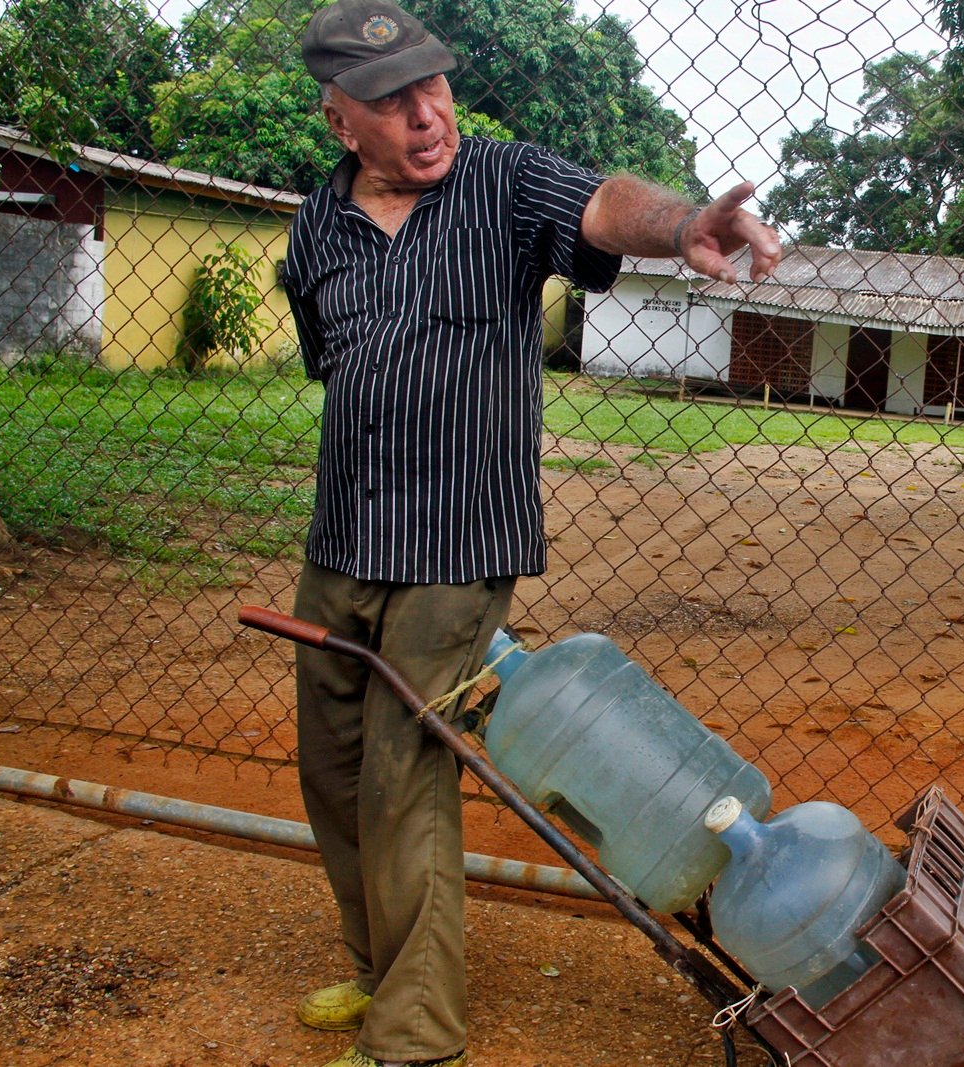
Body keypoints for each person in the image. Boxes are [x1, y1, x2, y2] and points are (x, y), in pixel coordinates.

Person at [278, 3, 782, 1065]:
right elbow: (334, 361)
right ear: (342, 124)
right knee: (328, 762)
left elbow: (604, 205)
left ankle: (414, 1036)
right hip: (344, 535)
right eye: (391, 101)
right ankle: (379, 964)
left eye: (433, 86)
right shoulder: (314, 229)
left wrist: (682, 220)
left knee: (401, 767)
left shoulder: (501, 184)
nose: (426, 115)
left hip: (460, 543)